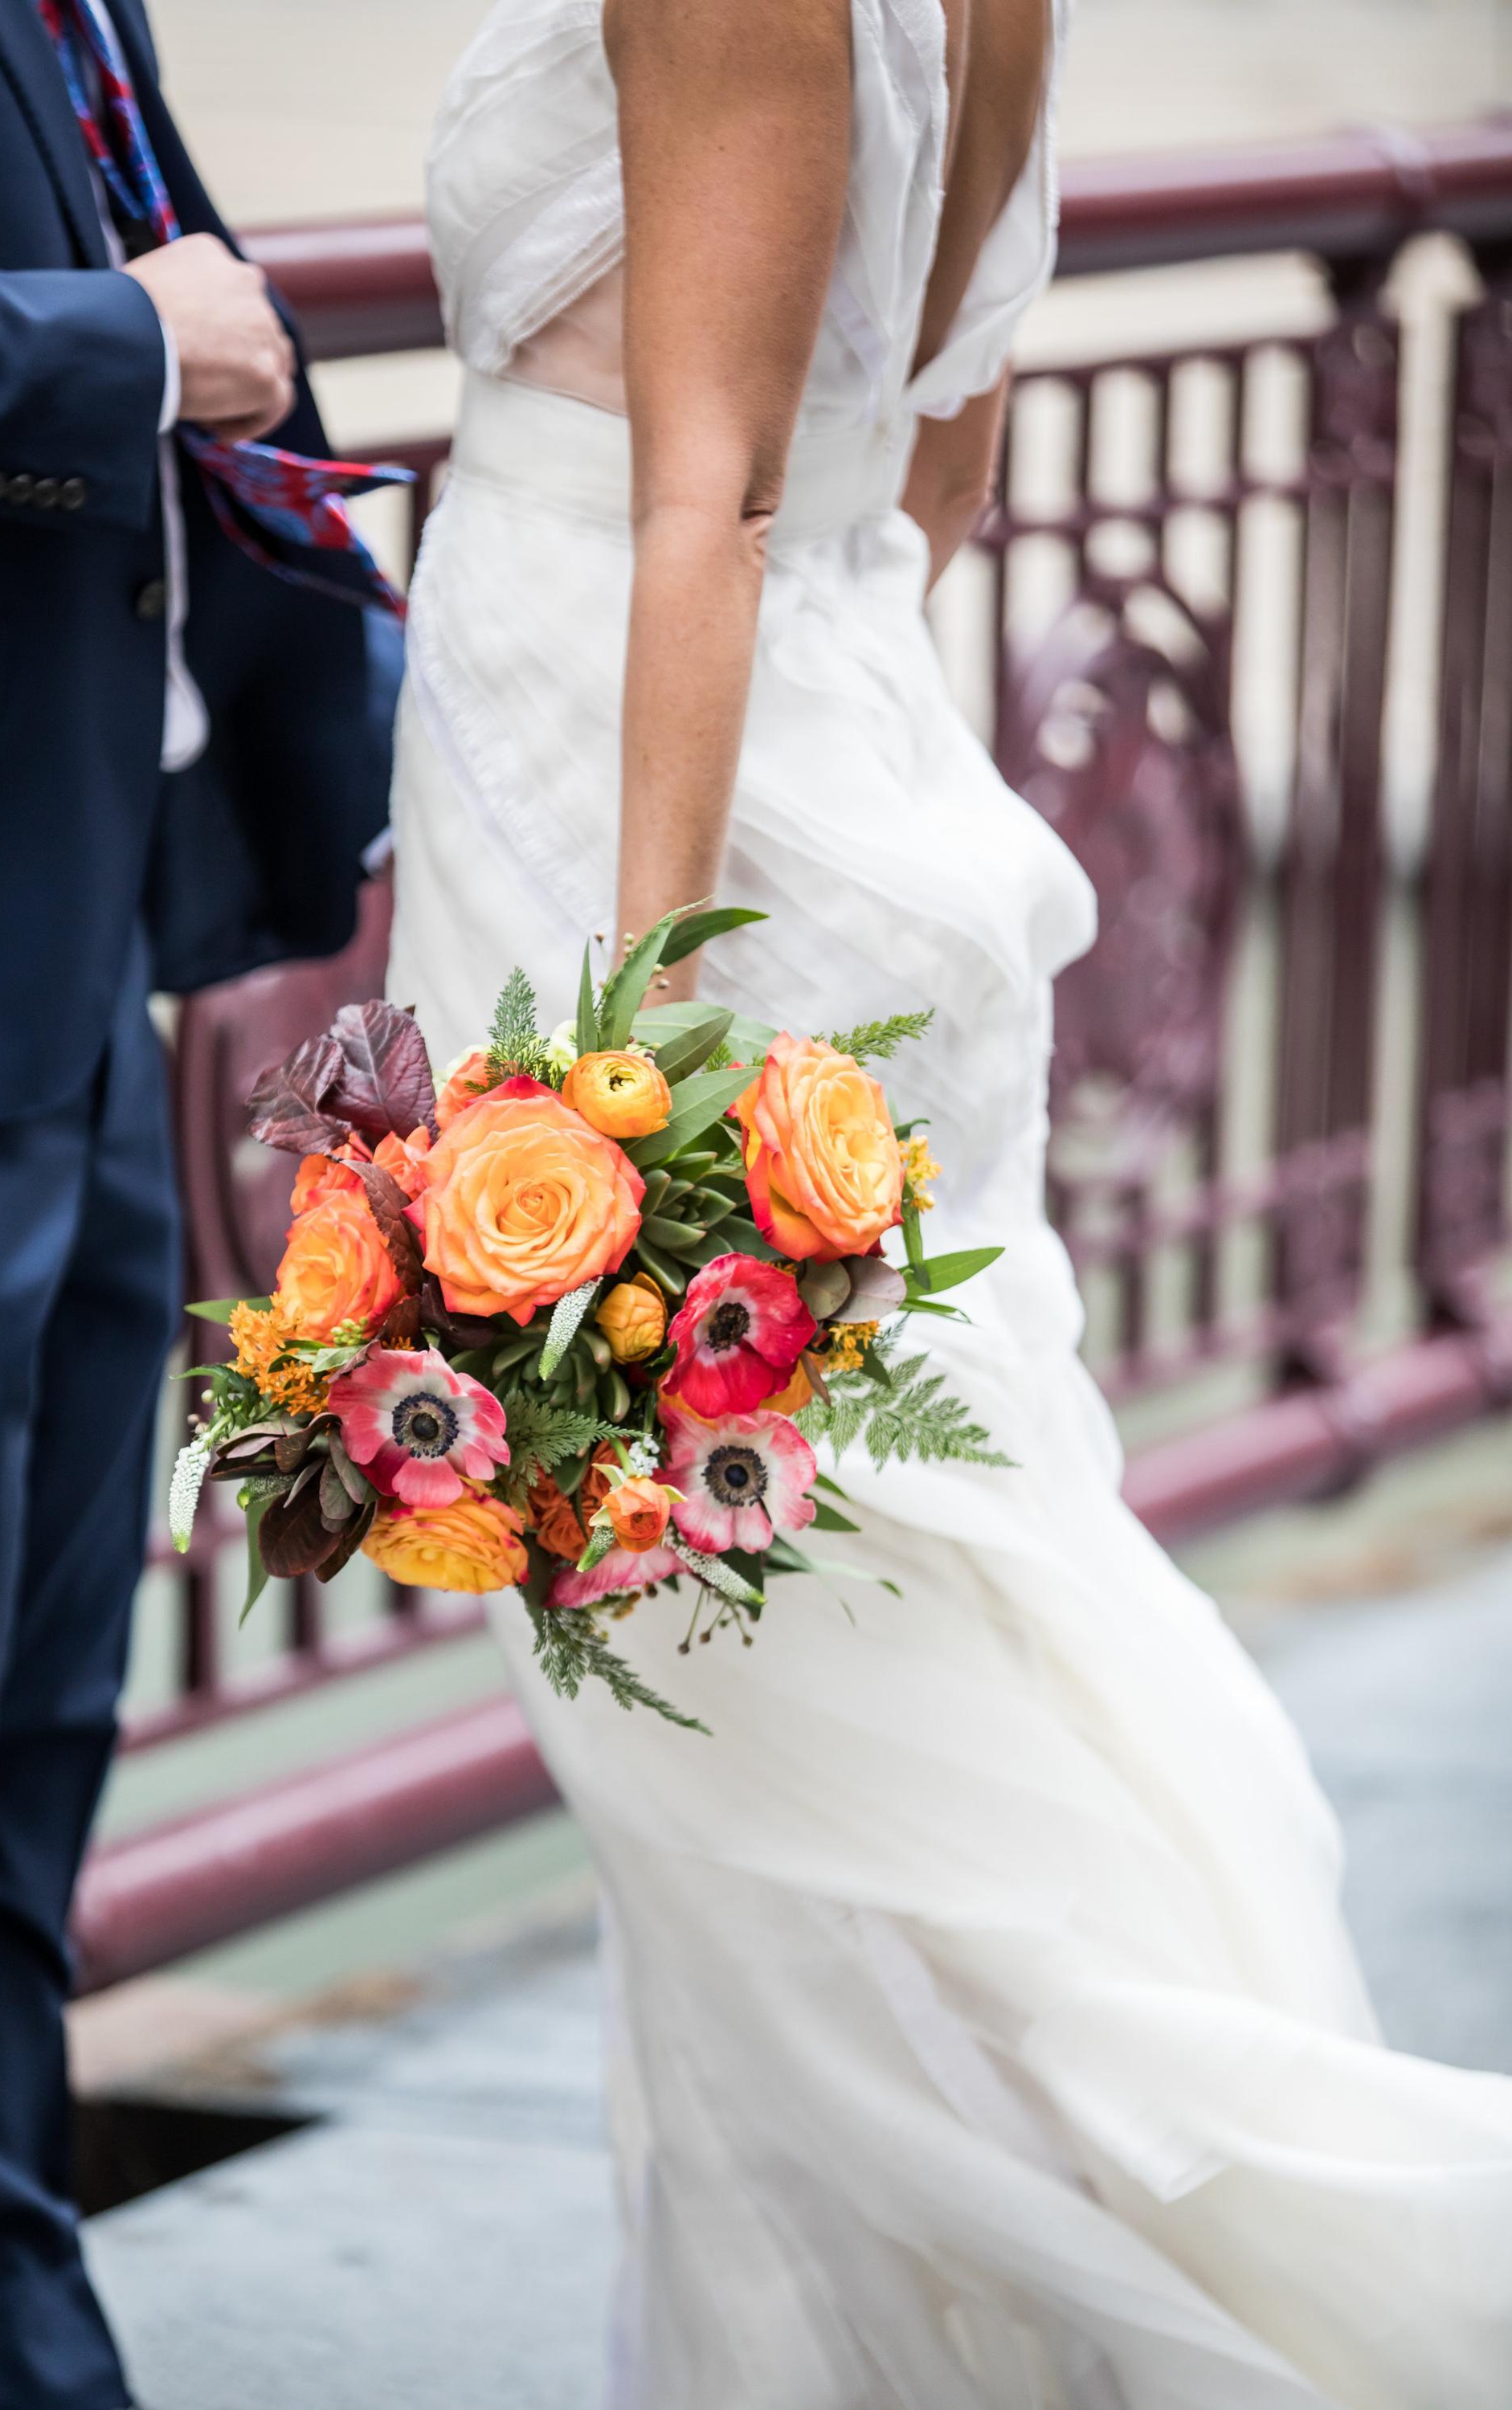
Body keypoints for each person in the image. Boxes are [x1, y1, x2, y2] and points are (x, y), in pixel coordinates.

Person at [390, 0, 1512, 2400]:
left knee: (742, 1699)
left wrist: (615, 1060)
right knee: (867, 1647)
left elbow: (712, 501)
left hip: (637, 815)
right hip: (827, 765)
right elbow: (932, 448)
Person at [0, 2, 397, 2403]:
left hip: (73, 943)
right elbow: (141, 327)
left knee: (19, 1757)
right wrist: (120, 344)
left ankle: (2, 2319)